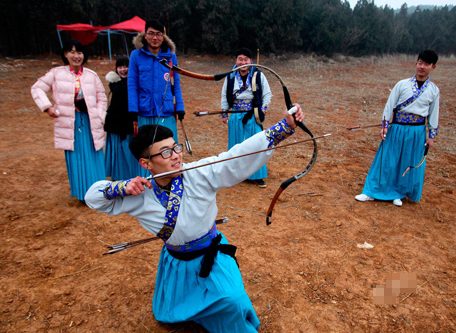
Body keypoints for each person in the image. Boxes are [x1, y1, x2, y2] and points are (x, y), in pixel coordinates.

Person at [85, 104, 304, 332]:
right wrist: (120, 187)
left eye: (175, 148)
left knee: (233, 300)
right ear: (145, 163)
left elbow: (235, 157)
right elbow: (93, 197)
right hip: (179, 261)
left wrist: (284, 127)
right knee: (174, 315)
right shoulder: (139, 192)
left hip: (212, 255)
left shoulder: (198, 173)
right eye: (165, 153)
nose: (176, 156)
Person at [355, 50, 440, 207]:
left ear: (433, 67)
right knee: (386, 159)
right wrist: (385, 126)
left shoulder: (434, 90)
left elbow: (433, 114)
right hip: (397, 129)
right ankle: (371, 192)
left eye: (426, 64)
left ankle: (398, 193)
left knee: (407, 162)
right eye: (420, 63)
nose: (422, 67)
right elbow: (390, 105)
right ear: (416, 64)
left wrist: (431, 135)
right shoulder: (402, 84)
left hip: (417, 132)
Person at [31, 40, 106, 202]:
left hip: (90, 122)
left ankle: (100, 192)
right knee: (77, 156)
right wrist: (47, 107)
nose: (76, 56)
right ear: (65, 54)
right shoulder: (56, 73)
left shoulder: (91, 75)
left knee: (94, 154)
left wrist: (100, 116)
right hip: (70, 123)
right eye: (72, 52)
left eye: (79, 52)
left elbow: (102, 98)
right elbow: (37, 88)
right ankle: (83, 194)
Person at [128, 19, 185, 179]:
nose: (155, 38)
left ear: (163, 37)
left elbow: (176, 83)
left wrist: (179, 107)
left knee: (168, 149)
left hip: (165, 110)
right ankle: (145, 183)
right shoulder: (136, 55)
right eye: (151, 33)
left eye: (159, 34)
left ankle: (171, 180)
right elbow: (131, 83)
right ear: (145, 35)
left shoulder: (170, 56)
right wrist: (133, 109)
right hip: (144, 110)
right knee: (146, 150)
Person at [221, 48, 272, 188]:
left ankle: (257, 175)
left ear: (251, 61)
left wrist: (262, 110)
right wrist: (224, 113)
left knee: (257, 144)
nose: (243, 62)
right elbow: (225, 95)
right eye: (240, 59)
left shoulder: (258, 75)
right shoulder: (230, 77)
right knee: (235, 145)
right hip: (236, 114)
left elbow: (267, 95)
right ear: (236, 61)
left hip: (253, 115)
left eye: (246, 59)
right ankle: (234, 175)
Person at [104, 57, 141, 180]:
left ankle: (132, 175)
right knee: (118, 151)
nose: (123, 69)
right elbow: (121, 91)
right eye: (120, 67)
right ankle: (118, 176)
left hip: (130, 123)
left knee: (130, 150)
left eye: (126, 66)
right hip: (116, 124)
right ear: (116, 69)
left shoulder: (137, 81)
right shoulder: (115, 83)